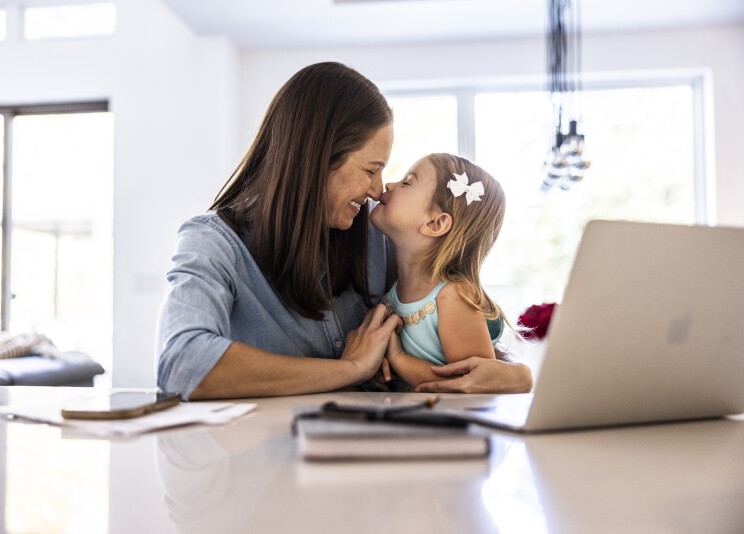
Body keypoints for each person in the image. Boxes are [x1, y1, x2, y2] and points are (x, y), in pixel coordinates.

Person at [156, 62, 532, 400]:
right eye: (370, 170)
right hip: (260, 459)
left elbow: (463, 338)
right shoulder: (213, 243)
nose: (376, 189)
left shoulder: (382, 236)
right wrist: (350, 369)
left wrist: (517, 374)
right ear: (316, 158)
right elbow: (182, 363)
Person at [368, 153, 522, 391]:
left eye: (407, 183)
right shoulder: (394, 290)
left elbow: (473, 384)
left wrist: (399, 360)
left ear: (435, 224)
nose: (389, 185)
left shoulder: (453, 297)